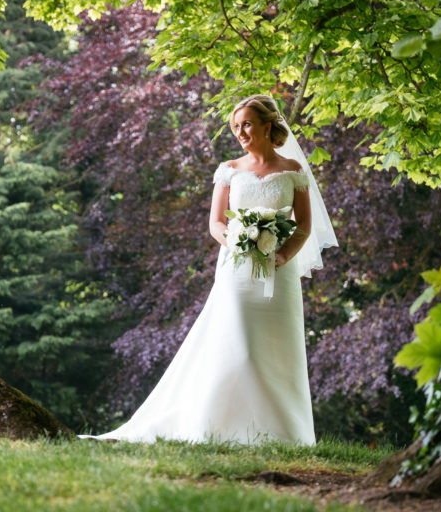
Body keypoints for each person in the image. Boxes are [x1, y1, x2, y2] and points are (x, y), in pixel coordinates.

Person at [82, 95, 337, 444]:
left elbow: (305, 225)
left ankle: (284, 433)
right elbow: (216, 223)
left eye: (246, 124)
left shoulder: (293, 170)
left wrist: (282, 255)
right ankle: (222, 426)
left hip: (280, 274)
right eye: (236, 127)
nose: (240, 132)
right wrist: (238, 242)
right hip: (237, 270)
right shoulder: (229, 170)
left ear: (266, 125)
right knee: (237, 341)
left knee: (277, 349)